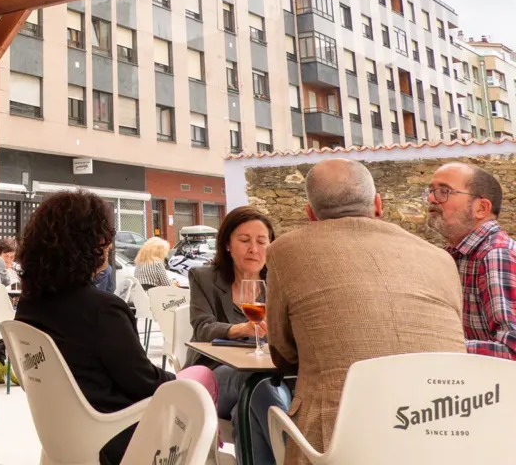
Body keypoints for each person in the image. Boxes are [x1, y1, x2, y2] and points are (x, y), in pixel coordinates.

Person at [268, 159, 466, 465]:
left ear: (310, 215)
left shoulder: (285, 250)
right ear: (378, 204)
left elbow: (282, 352)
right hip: (450, 435)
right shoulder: (440, 259)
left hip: (341, 444)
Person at [14, 190, 217, 465]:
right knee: (204, 378)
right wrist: (186, 382)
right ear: (95, 243)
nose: (109, 246)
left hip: (62, 437)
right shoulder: (102, 310)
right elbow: (145, 384)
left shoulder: (28, 307)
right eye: (107, 239)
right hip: (119, 438)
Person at [187, 206, 290, 465]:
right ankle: (295, 458)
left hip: (268, 373)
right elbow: (202, 326)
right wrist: (241, 329)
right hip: (217, 373)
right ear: (228, 245)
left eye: (261, 242)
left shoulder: (280, 283)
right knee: (258, 382)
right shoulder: (204, 278)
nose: (254, 249)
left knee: (246, 409)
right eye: (244, 241)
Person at [425, 161, 516, 360]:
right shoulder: (456, 254)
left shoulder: (494, 254)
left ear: (481, 208)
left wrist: (437, 346)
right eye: (431, 191)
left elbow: (512, 350)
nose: (431, 198)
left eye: (444, 191)